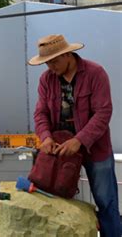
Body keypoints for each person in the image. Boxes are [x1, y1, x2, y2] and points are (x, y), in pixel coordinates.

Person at [29, 34, 121, 237]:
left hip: (94, 148)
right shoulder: (46, 79)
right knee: (54, 199)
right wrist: (45, 137)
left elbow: (103, 112)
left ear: (68, 54)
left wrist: (79, 140)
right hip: (58, 150)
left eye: (54, 61)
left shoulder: (95, 73)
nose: (51, 67)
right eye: (46, 63)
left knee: (106, 202)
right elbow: (40, 112)